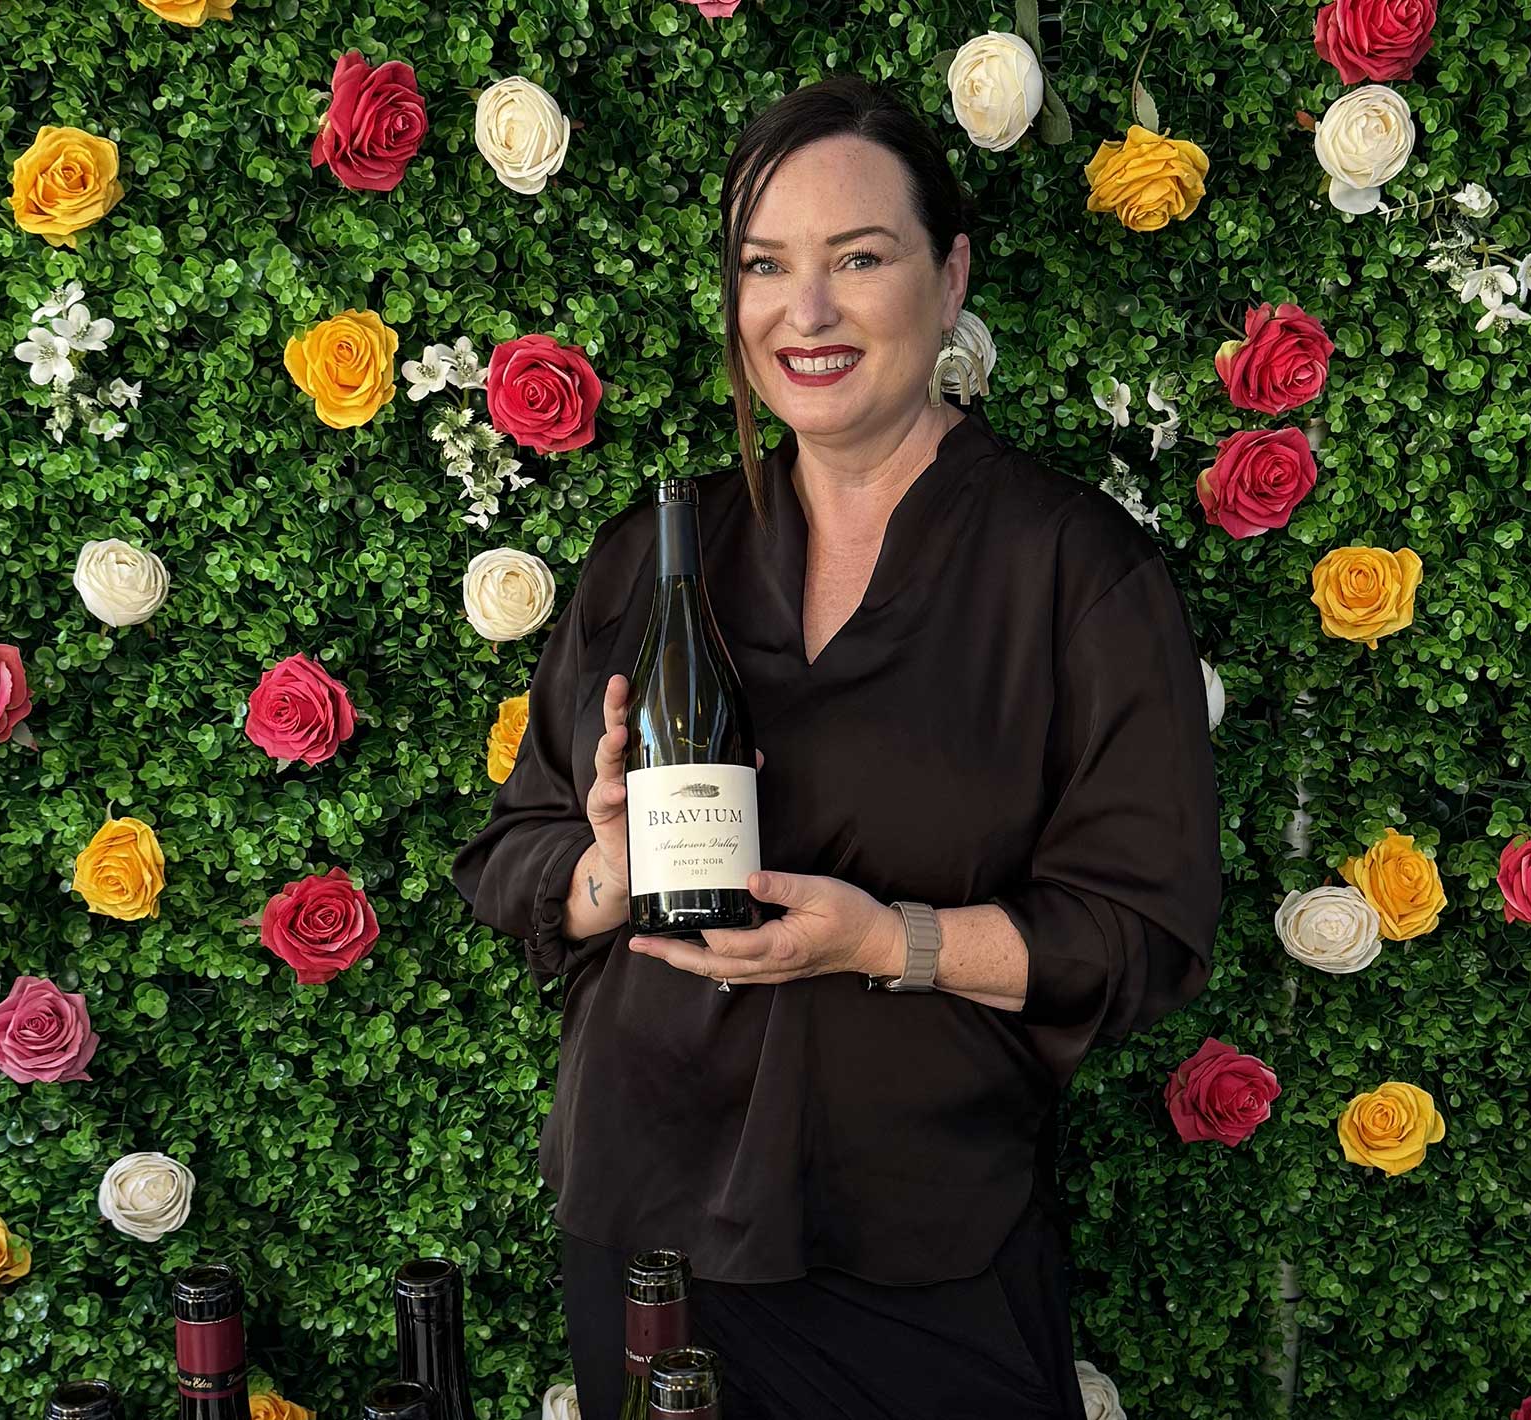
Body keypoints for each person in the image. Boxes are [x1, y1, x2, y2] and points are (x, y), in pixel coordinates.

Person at [450, 75, 1222, 1420]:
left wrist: (882, 943)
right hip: (646, 1236)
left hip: (927, 1246)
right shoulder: (656, 554)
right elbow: (514, 853)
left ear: (951, 273)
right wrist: (601, 872)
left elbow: (1142, 935)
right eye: (766, 266)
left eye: (857, 259)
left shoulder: (1074, 571)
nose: (803, 314)